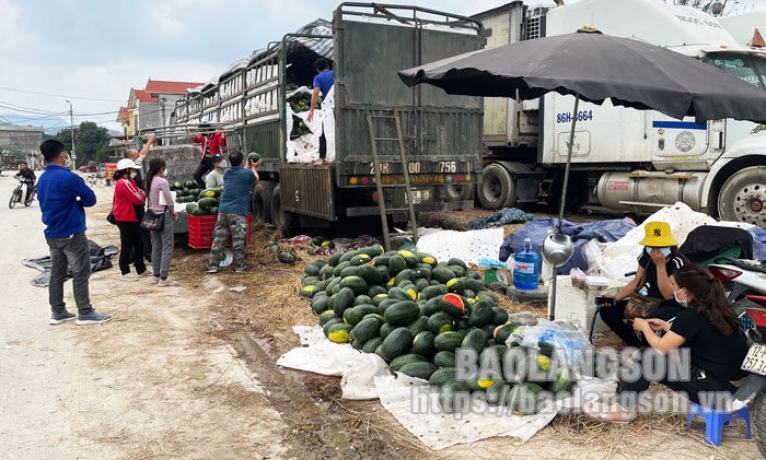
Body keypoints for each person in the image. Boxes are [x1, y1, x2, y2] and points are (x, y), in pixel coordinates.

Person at [585, 264, 749, 422]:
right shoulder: (721, 310)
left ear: (684, 292)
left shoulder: (692, 316)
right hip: (736, 390)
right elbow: (703, 336)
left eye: (673, 285)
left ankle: (622, 410)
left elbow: (661, 348)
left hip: (717, 393)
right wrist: (667, 326)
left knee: (649, 357)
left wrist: (644, 327)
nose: (672, 289)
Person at [36, 139, 111, 325]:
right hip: (72, 233)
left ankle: (58, 311)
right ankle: (85, 312)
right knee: (81, 273)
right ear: (63, 155)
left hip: (53, 233)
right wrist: (76, 198)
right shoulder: (68, 177)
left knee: (56, 273)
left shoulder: (43, 178)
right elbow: (90, 199)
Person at [599, 221, 689, 347]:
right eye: (652, 246)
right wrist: (615, 299)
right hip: (649, 301)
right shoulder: (646, 256)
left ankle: (650, 348)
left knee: (650, 321)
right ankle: (636, 345)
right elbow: (637, 282)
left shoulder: (678, 262)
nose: (655, 250)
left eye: (660, 246)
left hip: (670, 304)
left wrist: (660, 265)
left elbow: (669, 295)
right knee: (607, 311)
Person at [206, 151, 260, 273]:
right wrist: (254, 167)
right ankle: (240, 267)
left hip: (223, 210)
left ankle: (213, 266)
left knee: (219, 238)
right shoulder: (246, 173)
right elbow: (255, 179)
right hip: (237, 211)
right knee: (239, 239)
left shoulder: (227, 172)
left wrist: (247, 166)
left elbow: (240, 171)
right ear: (242, 161)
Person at [113, 158, 149, 281]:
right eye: (132, 169)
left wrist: (141, 194)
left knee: (138, 244)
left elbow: (140, 193)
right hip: (125, 217)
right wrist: (142, 194)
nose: (134, 172)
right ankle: (124, 270)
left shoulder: (130, 182)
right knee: (127, 244)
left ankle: (141, 268)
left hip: (132, 217)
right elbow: (139, 199)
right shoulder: (123, 183)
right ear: (126, 170)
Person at [145, 158, 179, 286]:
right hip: (163, 216)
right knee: (168, 246)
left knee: (156, 246)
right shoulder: (162, 181)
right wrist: (173, 211)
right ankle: (164, 277)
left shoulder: (150, 180)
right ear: (161, 168)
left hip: (152, 216)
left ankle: (156, 275)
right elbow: (168, 199)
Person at [126, 134, 156, 263]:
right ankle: (146, 254)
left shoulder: (135, 166)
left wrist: (149, 142)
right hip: (132, 206)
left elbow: (143, 154)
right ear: (130, 157)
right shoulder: (128, 171)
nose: (139, 155)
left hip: (138, 204)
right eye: (136, 154)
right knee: (141, 229)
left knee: (138, 230)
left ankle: (134, 255)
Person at [306, 57, 334, 166]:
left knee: (324, 133)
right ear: (327, 66)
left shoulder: (318, 78)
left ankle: (321, 158)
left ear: (317, 69)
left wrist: (311, 110)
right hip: (342, 105)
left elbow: (315, 93)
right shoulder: (335, 74)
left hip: (330, 110)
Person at [192, 123, 226, 189]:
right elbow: (196, 140)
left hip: (214, 160)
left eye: (201, 130)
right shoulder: (203, 137)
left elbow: (222, 143)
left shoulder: (216, 135)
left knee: (213, 177)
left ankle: (214, 191)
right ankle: (205, 189)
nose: (200, 132)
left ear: (206, 129)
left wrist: (222, 132)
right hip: (205, 160)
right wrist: (192, 133)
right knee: (196, 175)